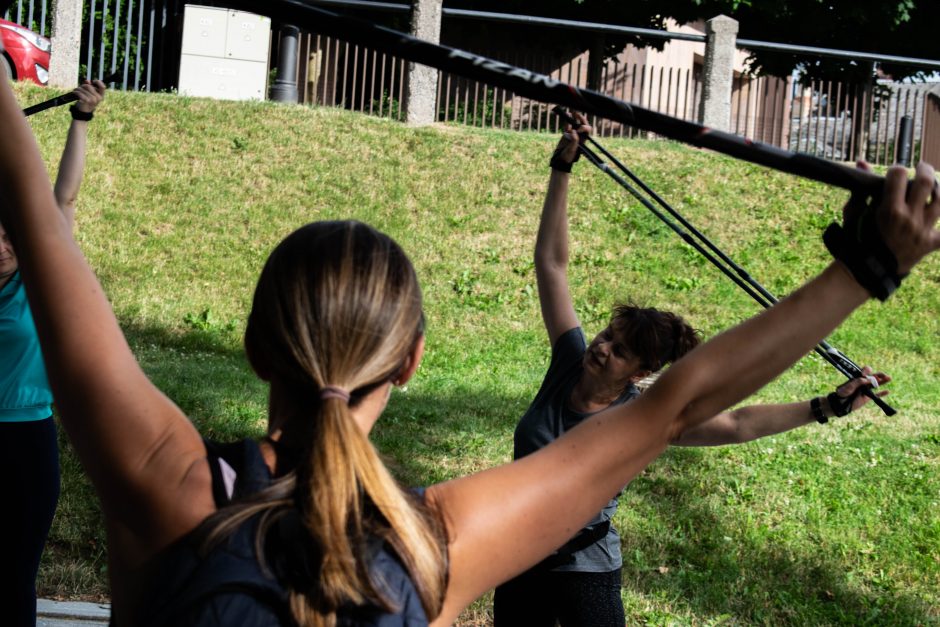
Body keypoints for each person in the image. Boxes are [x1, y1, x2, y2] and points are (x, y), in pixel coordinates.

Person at [1, 66, 937, 627]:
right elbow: (677, 405)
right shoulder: (432, 546)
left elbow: (41, 227)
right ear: (409, 362)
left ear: (254, 346)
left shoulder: (167, 487)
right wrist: (867, 268)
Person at [492, 116, 892, 626]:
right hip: (516, 553)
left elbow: (740, 423)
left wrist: (828, 406)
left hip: (584, 570)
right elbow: (551, 263)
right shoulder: (568, 360)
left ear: (640, 373)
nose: (603, 348)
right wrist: (562, 167)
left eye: (621, 351)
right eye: (608, 336)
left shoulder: (644, 416)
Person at [0, 79, 106, 626]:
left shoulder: (39, 280)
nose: (0, 247)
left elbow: (62, 197)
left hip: (27, 439)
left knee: (16, 575)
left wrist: (81, 119)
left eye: (8, 235)